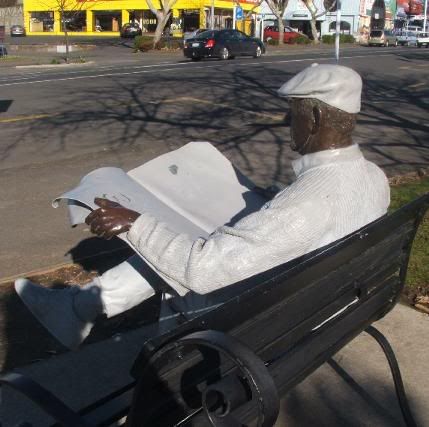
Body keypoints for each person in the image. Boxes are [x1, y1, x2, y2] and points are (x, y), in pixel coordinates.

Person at [15, 64, 390, 350]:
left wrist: (135, 222)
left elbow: (203, 272)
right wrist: (271, 200)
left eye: (292, 112)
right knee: (177, 241)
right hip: (325, 303)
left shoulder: (307, 202)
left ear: (316, 118)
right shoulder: (372, 176)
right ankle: (78, 309)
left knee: (173, 254)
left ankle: (92, 320)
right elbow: (314, 218)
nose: (285, 120)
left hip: (274, 323)